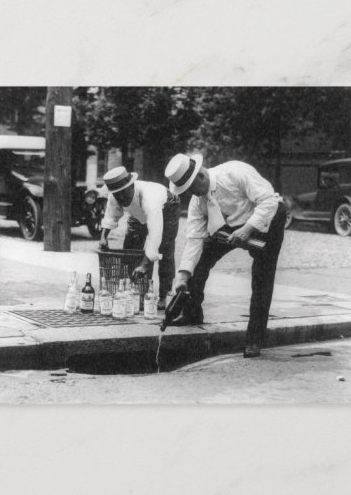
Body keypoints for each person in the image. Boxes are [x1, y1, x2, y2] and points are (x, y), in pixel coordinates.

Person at [165, 153, 286, 357]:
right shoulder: (198, 200)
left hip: (267, 218)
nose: (192, 195)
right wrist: (182, 277)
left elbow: (268, 201)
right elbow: (194, 239)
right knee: (199, 263)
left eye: (192, 188)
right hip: (228, 226)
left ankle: (254, 340)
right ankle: (192, 314)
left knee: (262, 279)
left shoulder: (235, 172)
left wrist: (247, 230)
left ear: (201, 176)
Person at [99, 166, 180, 310]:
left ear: (131, 186)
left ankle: (163, 295)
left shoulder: (150, 198)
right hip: (137, 213)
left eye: (124, 194)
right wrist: (103, 238)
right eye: (118, 195)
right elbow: (110, 216)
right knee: (130, 247)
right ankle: (133, 290)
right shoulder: (116, 195)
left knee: (164, 250)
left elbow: (156, 235)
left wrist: (144, 264)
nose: (122, 198)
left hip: (167, 206)